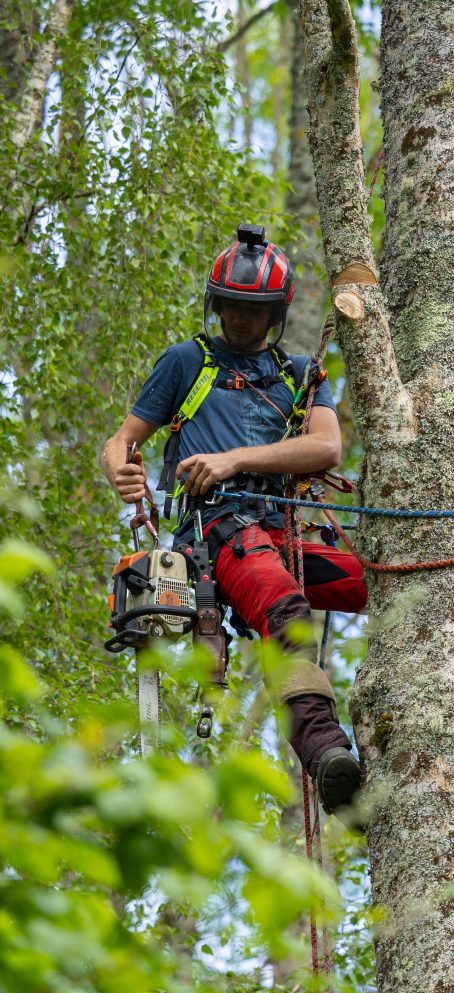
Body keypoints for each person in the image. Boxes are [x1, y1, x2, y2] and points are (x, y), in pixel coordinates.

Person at [102, 224, 367, 819]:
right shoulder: (186, 362)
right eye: (231, 307)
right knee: (286, 615)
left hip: (286, 531)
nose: (240, 321)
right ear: (216, 303)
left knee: (380, 580)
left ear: (274, 313)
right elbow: (122, 440)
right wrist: (123, 472)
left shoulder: (300, 374)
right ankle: (326, 754)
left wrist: (234, 459)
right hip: (220, 532)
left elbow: (326, 450)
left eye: (254, 311)